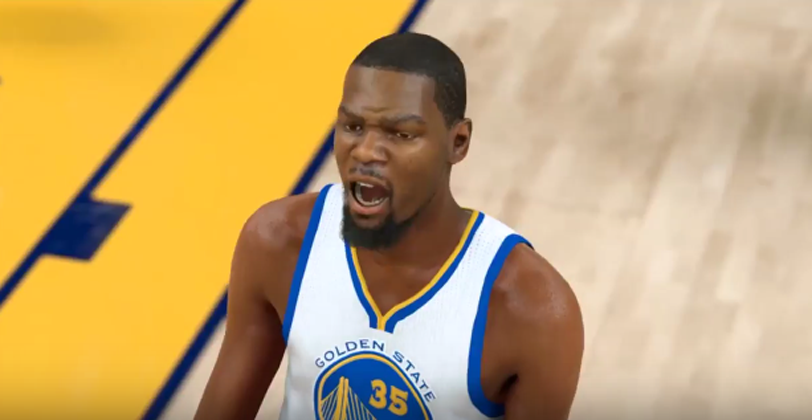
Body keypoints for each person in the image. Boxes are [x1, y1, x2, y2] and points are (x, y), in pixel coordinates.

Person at [194, 32, 584, 420]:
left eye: (401, 134)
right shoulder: (277, 242)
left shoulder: (533, 310)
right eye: (353, 126)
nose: (365, 151)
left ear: (458, 142)